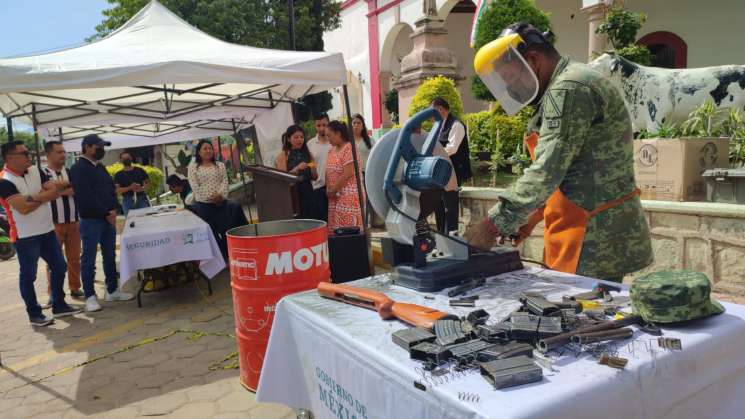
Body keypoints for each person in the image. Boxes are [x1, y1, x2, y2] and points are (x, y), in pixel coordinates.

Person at [466, 22, 652, 281]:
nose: (511, 89)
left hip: (592, 237)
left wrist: (491, 226)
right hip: (590, 230)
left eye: (510, 78)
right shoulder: (570, 81)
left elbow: (547, 170)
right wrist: (530, 219)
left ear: (533, 59)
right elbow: (571, 170)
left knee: (587, 315)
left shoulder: (568, 89)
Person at [0, 141, 82, 325]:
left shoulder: (36, 170)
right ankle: (34, 314)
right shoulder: (4, 180)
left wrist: (33, 198)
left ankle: (59, 305)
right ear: (10, 157)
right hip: (25, 236)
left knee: (60, 267)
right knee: (29, 276)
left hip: (47, 230)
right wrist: (42, 197)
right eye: (24, 153)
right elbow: (23, 209)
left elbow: (54, 192)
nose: (29, 156)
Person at [69, 134, 134, 312]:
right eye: (99, 146)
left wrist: (114, 209)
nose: (102, 150)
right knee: (89, 259)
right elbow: (85, 196)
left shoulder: (100, 167)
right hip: (91, 220)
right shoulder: (78, 168)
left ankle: (112, 290)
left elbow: (111, 189)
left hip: (108, 219)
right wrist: (106, 213)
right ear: (87, 147)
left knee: (109, 256)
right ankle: (90, 296)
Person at [188, 139, 248, 259]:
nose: (208, 150)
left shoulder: (220, 165)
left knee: (226, 229)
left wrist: (220, 196)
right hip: (204, 206)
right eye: (205, 148)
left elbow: (225, 182)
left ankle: (230, 256)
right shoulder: (194, 167)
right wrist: (211, 197)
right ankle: (219, 258)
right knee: (212, 233)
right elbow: (195, 186)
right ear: (199, 152)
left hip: (221, 203)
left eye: (210, 148)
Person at [42, 141, 83, 303]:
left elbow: (77, 190)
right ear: (49, 154)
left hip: (73, 221)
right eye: (59, 152)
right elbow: (46, 190)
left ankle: (75, 288)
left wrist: (58, 191)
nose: (63, 155)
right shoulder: (42, 172)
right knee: (53, 261)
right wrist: (66, 190)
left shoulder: (69, 171)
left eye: (63, 152)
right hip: (52, 224)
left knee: (74, 258)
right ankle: (53, 293)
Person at [430, 97, 472, 234]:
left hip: (453, 172)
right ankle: (442, 237)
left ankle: (451, 239)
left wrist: (435, 153)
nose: (430, 116)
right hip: (440, 171)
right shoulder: (439, 126)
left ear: (440, 109)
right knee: (438, 206)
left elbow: (452, 148)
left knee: (450, 207)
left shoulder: (456, 125)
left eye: (432, 112)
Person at [325, 121, 364, 233]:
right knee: (335, 229)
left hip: (349, 196)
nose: (328, 139)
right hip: (334, 195)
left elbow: (348, 173)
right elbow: (327, 171)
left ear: (338, 134)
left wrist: (333, 190)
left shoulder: (349, 148)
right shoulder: (331, 150)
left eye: (330, 135)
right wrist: (329, 189)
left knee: (346, 230)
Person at [275, 125, 320, 219]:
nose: (300, 140)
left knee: (312, 219)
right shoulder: (283, 155)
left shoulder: (307, 154)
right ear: (288, 139)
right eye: (296, 137)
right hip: (293, 194)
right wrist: (297, 169)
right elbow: (283, 178)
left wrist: (313, 169)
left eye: (302, 137)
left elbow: (315, 177)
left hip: (309, 191)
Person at [306, 113, 332, 221]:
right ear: (315, 126)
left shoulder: (334, 142)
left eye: (324, 125)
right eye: (318, 125)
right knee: (322, 220)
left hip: (335, 188)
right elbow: (309, 163)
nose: (321, 128)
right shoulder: (310, 144)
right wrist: (312, 167)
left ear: (329, 124)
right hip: (318, 188)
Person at [114, 151, 150, 215]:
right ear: (120, 160)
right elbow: (117, 190)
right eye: (124, 158)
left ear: (131, 158)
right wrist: (130, 187)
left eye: (128, 157)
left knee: (144, 220)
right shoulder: (118, 175)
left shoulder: (140, 170)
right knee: (130, 222)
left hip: (141, 198)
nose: (126, 159)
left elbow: (148, 184)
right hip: (127, 200)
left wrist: (141, 188)